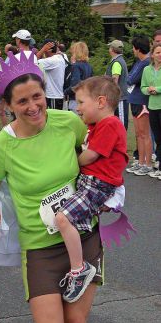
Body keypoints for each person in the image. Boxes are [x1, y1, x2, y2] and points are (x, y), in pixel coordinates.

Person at [0, 50, 107, 323]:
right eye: (22, 101)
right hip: (40, 246)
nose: (33, 106)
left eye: (37, 96)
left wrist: (108, 193)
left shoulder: (69, 123)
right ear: (8, 106)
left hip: (82, 236)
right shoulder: (2, 145)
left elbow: (101, 155)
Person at [55, 76, 128, 303]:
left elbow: (91, 155)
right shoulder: (97, 124)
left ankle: (79, 270)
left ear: (101, 102)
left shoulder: (110, 124)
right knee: (71, 222)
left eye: (80, 102)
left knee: (63, 219)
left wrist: (70, 162)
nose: (77, 109)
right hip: (92, 183)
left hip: (97, 185)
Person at [125, 35, 152, 176]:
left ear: (138, 48)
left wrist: (129, 79)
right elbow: (129, 77)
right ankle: (141, 162)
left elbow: (131, 79)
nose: (133, 50)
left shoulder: (145, 63)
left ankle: (147, 164)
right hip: (134, 100)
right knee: (138, 135)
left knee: (144, 134)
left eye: (134, 48)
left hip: (142, 102)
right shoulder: (139, 62)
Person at [141, 42, 161, 180]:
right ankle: (159, 165)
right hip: (152, 106)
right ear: (152, 55)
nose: (160, 55)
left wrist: (157, 89)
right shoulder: (147, 70)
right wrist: (148, 90)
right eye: (158, 52)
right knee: (158, 138)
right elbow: (143, 87)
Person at [64, 41, 93, 113]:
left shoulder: (76, 66)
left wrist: (65, 92)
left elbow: (75, 84)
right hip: (86, 99)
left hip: (75, 100)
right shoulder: (89, 66)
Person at [106, 40, 129, 129]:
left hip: (120, 98)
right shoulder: (119, 61)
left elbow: (114, 80)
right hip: (119, 98)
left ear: (112, 49)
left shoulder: (116, 62)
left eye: (110, 47)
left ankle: (122, 142)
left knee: (121, 124)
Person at [37, 39, 66, 110]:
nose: (44, 53)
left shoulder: (52, 61)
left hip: (53, 96)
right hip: (57, 96)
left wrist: (42, 50)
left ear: (49, 50)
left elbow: (32, 62)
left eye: (44, 50)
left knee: (53, 119)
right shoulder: (61, 57)